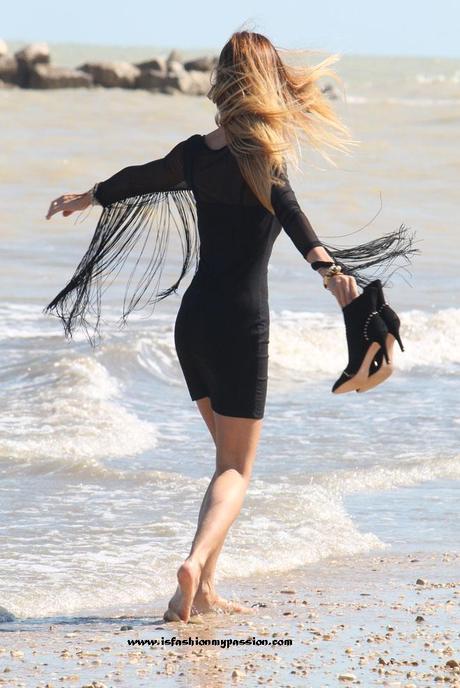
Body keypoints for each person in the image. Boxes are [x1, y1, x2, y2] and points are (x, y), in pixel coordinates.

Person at [45, 31, 416, 623]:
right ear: (266, 85)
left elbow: (138, 177)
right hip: (242, 326)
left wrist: (85, 197)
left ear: (222, 81)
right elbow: (302, 233)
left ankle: (201, 589)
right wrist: (338, 282)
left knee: (223, 461)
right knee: (236, 470)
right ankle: (192, 563)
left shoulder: (194, 154)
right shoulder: (265, 162)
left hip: (193, 324)